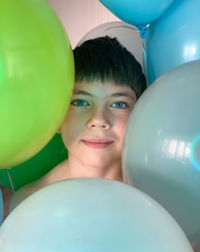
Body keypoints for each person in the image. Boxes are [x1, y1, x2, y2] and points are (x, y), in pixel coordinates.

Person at [9, 36, 147, 211]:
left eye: (118, 104)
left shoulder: (158, 201)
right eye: (80, 102)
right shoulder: (28, 204)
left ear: (141, 115)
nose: (98, 120)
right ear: (57, 116)